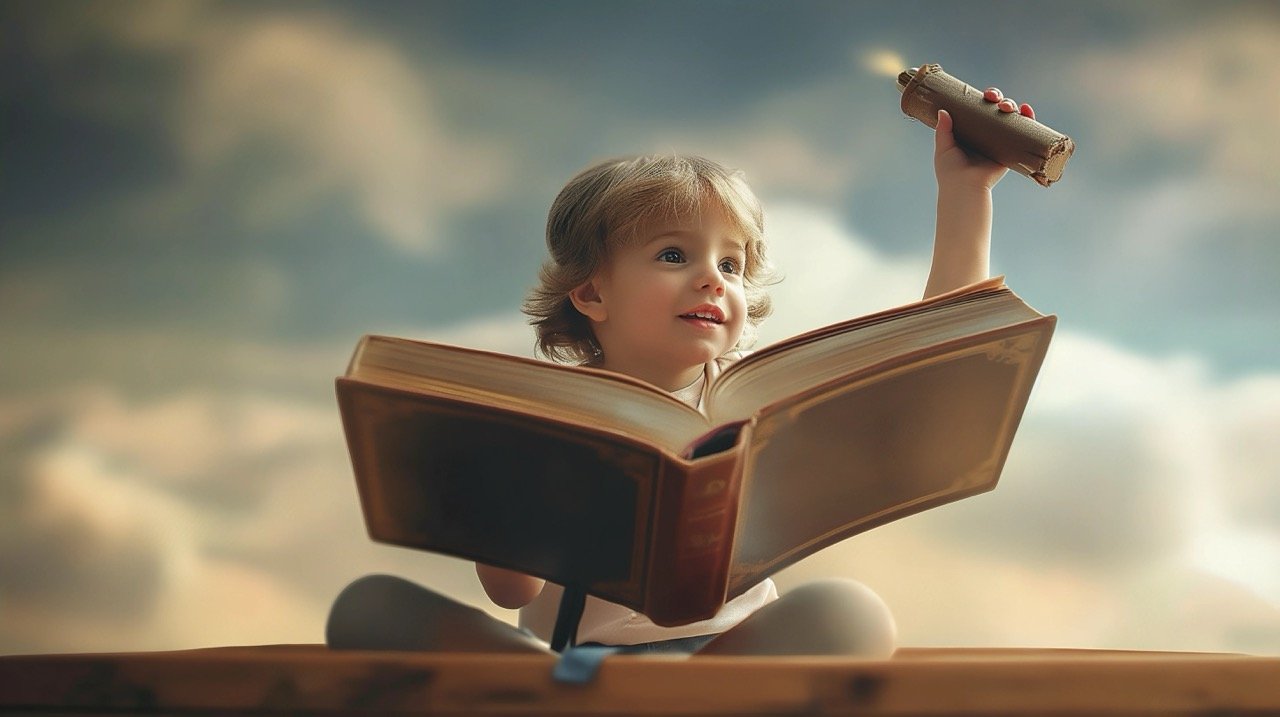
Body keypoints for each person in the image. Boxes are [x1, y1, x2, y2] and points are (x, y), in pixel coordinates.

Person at [327, 88, 1035, 658]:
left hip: (726, 661)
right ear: (592, 293)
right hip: (571, 668)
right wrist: (521, 491)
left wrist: (965, 190)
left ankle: (673, 703)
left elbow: (934, 362)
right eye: (673, 256)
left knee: (850, 612)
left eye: (730, 264)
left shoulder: (760, 401)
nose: (711, 280)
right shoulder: (547, 407)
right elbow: (510, 594)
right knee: (369, 606)